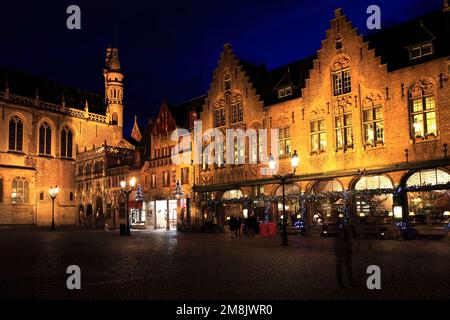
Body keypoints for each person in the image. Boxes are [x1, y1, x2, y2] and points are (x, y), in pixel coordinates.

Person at [334, 224, 357, 288]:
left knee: (347, 267)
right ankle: (341, 282)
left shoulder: (345, 236)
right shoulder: (340, 237)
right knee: (341, 268)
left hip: (346, 252)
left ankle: (350, 281)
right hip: (342, 253)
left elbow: (349, 244)